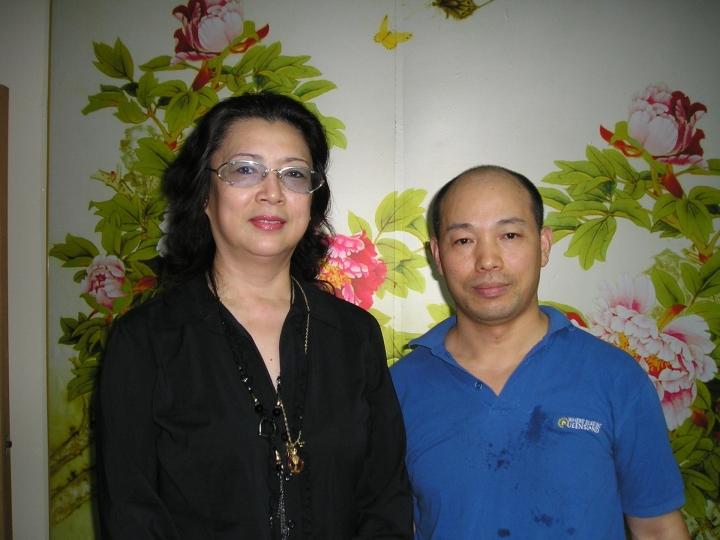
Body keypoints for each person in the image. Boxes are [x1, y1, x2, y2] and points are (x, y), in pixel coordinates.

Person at [96, 92, 413, 539]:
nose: (272, 193)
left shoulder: (355, 335)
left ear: (312, 200)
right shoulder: (146, 341)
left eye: (294, 174)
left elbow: (385, 502)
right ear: (204, 194)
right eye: (245, 169)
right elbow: (132, 515)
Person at [390, 166, 689, 539]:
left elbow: (658, 529)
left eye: (510, 235)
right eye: (463, 240)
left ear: (544, 245)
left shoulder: (615, 377)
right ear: (437, 255)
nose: (487, 260)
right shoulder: (397, 388)